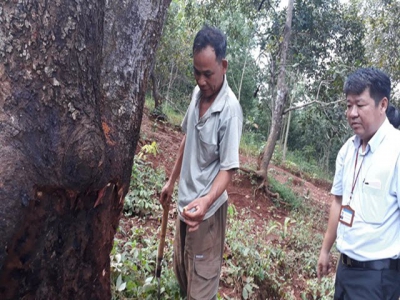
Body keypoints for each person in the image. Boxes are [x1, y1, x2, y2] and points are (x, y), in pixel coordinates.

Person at [159, 25, 243, 299]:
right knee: (183, 274)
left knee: (201, 288)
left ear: (224, 65)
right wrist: (172, 181)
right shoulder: (198, 96)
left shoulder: (229, 111)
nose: (201, 81)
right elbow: (188, 138)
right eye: (196, 72)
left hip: (207, 216)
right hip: (185, 206)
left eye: (208, 74)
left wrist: (206, 202)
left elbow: (228, 169)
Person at [317, 67, 400, 299]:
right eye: (348, 105)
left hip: (378, 279)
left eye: (360, 105)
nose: (352, 113)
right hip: (345, 270)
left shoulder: (396, 152)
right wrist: (325, 250)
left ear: (382, 105)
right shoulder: (347, 150)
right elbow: (338, 202)